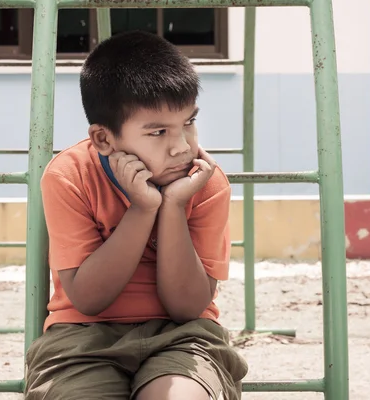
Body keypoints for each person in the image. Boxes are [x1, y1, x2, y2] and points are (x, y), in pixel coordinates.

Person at [24, 30, 248, 400]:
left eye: (188, 123)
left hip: (184, 337)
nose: (181, 147)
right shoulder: (70, 175)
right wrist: (143, 208)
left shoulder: (204, 183)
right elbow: (89, 299)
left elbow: (187, 307)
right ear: (104, 139)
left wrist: (173, 206)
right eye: (158, 132)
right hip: (81, 339)